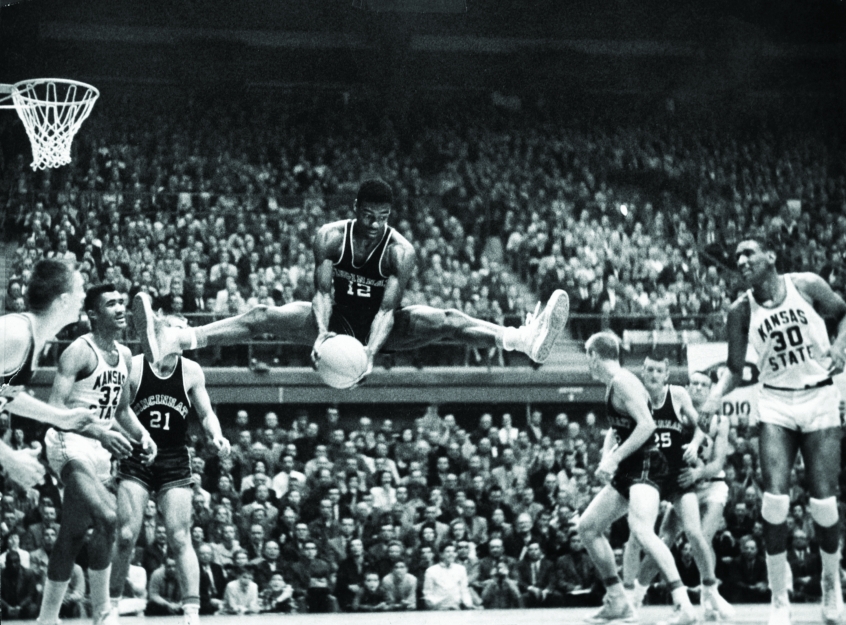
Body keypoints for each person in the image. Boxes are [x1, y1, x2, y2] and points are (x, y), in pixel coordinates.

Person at [134, 179, 570, 382]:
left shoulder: (400, 250)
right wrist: (322, 336)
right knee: (263, 313)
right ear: (355, 207)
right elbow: (321, 293)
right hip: (333, 317)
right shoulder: (329, 236)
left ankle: (521, 340)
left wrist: (369, 355)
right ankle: (181, 339)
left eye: (384, 217)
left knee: (448, 317)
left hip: (380, 328)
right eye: (370, 215)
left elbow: (386, 309)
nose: (377, 224)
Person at [701, 234, 846, 625]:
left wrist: (841, 346)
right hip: (777, 401)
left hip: (819, 398)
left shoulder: (807, 285)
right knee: (774, 502)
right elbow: (734, 369)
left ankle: (832, 583)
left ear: (771, 255)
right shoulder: (740, 310)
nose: (741, 259)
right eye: (737, 256)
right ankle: (779, 598)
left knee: (823, 503)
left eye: (748, 252)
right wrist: (714, 399)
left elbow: (844, 312)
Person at [37, 284, 157, 625]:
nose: (121, 308)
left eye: (122, 302)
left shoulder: (125, 355)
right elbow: (55, 409)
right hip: (69, 442)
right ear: (92, 314)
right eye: (111, 304)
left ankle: (46, 619)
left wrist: (143, 435)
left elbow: (121, 410)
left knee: (72, 535)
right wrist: (100, 433)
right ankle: (103, 611)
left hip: (100, 448)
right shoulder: (78, 351)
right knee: (108, 517)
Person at [108, 314, 231, 625]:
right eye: (178, 327)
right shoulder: (134, 366)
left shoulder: (191, 371)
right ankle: (108, 605)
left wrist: (216, 434)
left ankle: (191, 611)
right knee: (125, 535)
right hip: (137, 453)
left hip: (174, 455)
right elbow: (119, 413)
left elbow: (206, 413)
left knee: (179, 537)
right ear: (157, 332)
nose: (184, 333)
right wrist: (137, 437)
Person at [576, 332, 697, 624]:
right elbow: (623, 429)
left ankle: (684, 607)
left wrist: (614, 458)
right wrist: (610, 456)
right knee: (588, 527)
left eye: (587, 358)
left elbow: (647, 426)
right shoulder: (616, 384)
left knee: (642, 530)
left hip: (646, 463)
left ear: (594, 356)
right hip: (631, 466)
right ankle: (617, 600)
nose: (588, 365)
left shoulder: (623, 382)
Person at [622, 355, 733, 620]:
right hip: (678, 483)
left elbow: (717, 463)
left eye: (702, 385)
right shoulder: (679, 407)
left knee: (701, 538)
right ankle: (637, 596)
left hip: (710, 484)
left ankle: (709, 598)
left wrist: (697, 470)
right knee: (662, 540)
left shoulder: (718, 419)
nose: (696, 388)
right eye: (692, 383)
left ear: (710, 390)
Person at [0, 259, 97, 490]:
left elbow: (7, 394)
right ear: (64, 300)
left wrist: (59, 417)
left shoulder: (36, 342)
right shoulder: (15, 334)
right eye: (80, 289)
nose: (84, 295)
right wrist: (8, 457)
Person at [422, 543, 478, 611]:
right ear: (441, 554)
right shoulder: (431, 571)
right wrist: (436, 606)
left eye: (453, 551)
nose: (451, 554)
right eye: (448, 551)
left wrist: (468, 605)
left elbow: (464, 590)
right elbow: (428, 593)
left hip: (456, 608)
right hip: (438, 609)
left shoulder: (461, 569)